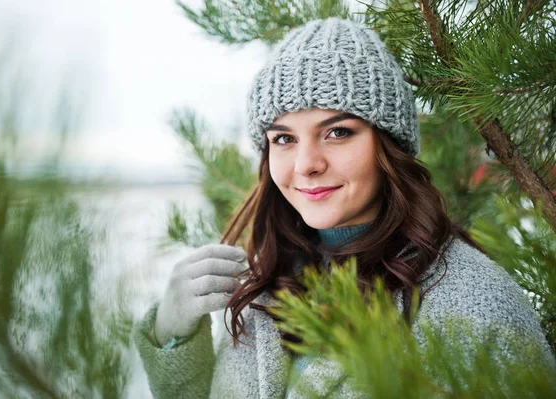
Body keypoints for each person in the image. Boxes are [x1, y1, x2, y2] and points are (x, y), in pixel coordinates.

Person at [133, 18, 555, 398]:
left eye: (337, 131)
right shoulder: (271, 287)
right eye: (284, 138)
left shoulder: (475, 302)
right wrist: (173, 333)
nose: (306, 165)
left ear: (388, 146)